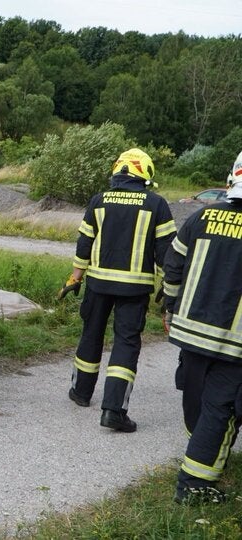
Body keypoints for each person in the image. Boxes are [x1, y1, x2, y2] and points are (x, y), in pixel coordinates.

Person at [59, 148, 176, 432]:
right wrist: (170, 288)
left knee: (91, 334)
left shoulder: (98, 201)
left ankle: (81, 392)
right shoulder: (156, 204)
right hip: (134, 289)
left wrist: (75, 278)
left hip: (98, 284)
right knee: (125, 343)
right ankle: (113, 411)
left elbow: (84, 243)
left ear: (118, 171)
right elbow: (167, 253)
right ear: (144, 174)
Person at [163, 149, 242, 504]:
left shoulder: (201, 217)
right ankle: (193, 487)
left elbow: (174, 263)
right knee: (220, 409)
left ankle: (199, 449)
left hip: (190, 331)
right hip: (234, 343)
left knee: (196, 398)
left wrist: (170, 305)